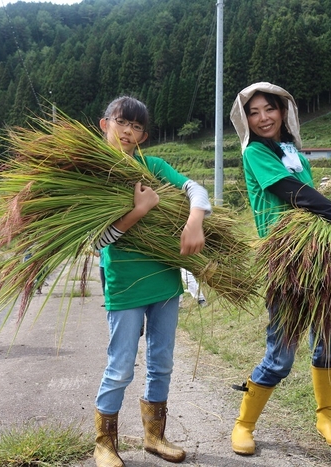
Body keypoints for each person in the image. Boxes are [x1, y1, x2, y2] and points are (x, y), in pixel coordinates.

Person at [228, 82, 331, 455]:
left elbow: (308, 190)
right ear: (245, 120)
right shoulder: (254, 151)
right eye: (253, 112)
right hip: (285, 262)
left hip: (320, 259)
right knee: (281, 353)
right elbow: (290, 190)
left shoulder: (292, 150)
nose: (262, 118)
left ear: (284, 111)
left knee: (329, 343)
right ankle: (244, 424)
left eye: (269, 109)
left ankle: (326, 417)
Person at [90, 95, 211, 467]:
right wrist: (139, 211)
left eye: (137, 127)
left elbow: (197, 190)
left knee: (162, 361)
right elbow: (98, 241)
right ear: (105, 123)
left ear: (144, 135)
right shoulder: (93, 174)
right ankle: (104, 444)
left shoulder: (153, 166)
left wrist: (194, 221)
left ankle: (154, 436)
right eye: (122, 122)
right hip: (125, 285)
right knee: (121, 364)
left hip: (164, 282)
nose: (128, 131)